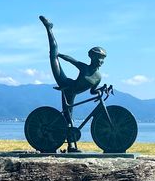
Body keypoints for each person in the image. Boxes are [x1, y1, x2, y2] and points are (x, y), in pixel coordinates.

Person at [39, 15, 106, 149]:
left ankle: (70, 145)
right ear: (92, 58)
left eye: (102, 59)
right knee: (53, 53)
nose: (100, 61)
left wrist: (101, 90)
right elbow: (73, 61)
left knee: (68, 117)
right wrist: (60, 56)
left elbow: (92, 91)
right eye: (98, 58)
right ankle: (49, 28)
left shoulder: (98, 76)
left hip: (72, 92)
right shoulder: (85, 68)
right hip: (66, 85)